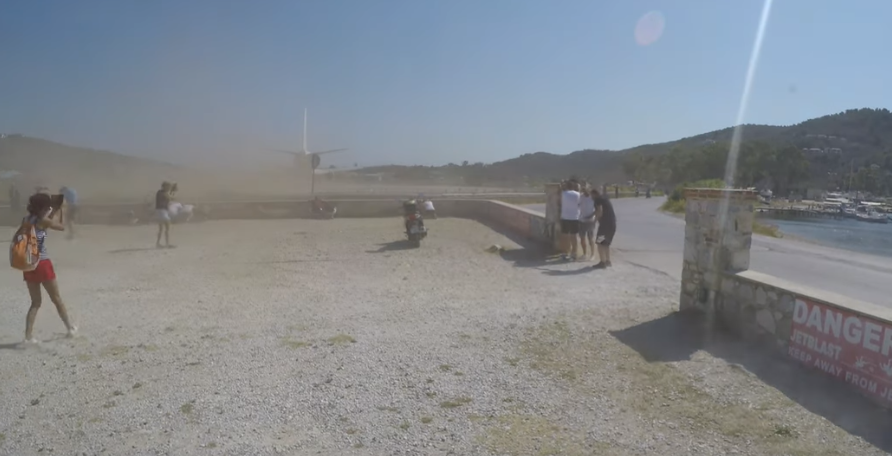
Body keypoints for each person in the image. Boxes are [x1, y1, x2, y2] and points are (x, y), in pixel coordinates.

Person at [22, 193, 77, 344]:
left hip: (28, 263)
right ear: (43, 207)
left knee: (35, 303)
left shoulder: (26, 219)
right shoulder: (43, 221)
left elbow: (43, 219)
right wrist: (61, 210)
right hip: (42, 263)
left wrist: (52, 210)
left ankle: (28, 336)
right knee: (56, 298)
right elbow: (61, 226)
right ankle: (70, 328)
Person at [591, 188, 617, 269]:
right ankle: (608, 261)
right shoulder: (605, 198)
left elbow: (600, 211)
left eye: (591, 195)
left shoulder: (597, 200)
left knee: (599, 243)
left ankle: (602, 262)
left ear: (594, 194)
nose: (591, 197)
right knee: (606, 243)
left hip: (604, 225)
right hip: (612, 224)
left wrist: (594, 221)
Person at [558, 181, 581, 261]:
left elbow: (559, 202)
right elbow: (579, 204)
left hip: (565, 217)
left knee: (564, 236)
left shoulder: (563, 193)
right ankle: (574, 253)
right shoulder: (578, 194)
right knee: (574, 236)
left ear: (566, 186)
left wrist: (561, 187)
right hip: (575, 217)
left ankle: (565, 253)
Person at [578, 187, 596, 260]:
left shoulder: (593, 198)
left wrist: (591, 216)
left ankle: (592, 255)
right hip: (581, 220)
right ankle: (584, 254)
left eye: (586, 188)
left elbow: (597, 209)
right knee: (582, 238)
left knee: (590, 238)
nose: (585, 190)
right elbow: (577, 206)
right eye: (584, 189)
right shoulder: (580, 197)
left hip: (590, 221)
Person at [155, 182, 173, 248]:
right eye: (168, 187)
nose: (169, 188)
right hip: (161, 211)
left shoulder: (163, 193)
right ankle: (163, 243)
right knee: (165, 226)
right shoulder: (160, 193)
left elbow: (169, 199)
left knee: (164, 228)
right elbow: (169, 198)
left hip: (164, 211)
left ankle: (162, 243)